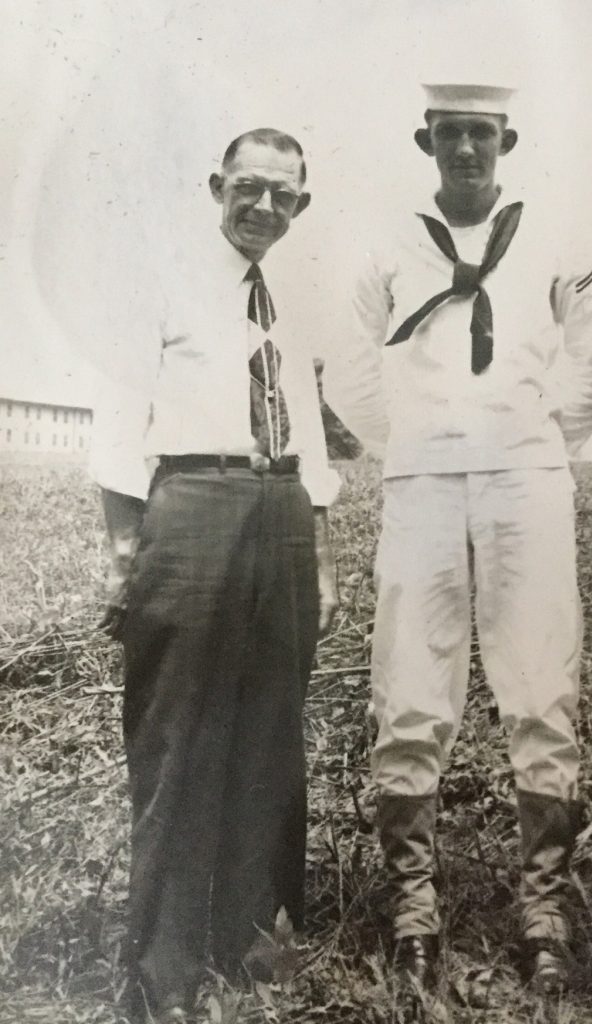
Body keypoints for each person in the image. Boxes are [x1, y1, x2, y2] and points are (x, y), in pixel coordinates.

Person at [325, 83, 592, 994]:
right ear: (428, 140)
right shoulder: (386, 246)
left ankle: (544, 907)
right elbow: (350, 369)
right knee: (410, 685)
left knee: (539, 682)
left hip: (526, 483)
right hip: (421, 486)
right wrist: (412, 442)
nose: (465, 150)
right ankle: (412, 906)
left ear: (505, 140)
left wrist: (532, 439)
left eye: (480, 134)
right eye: (449, 134)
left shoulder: (556, 241)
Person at [90, 128, 340, 1024]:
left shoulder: (292, 296)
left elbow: (304, 422)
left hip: (283, 515)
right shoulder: (161, 277)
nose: (264, 206)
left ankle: (256, 956)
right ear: (217, 186)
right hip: (191, 505)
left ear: (301, 204)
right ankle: (162, 974)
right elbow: (119, 417)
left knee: (272, 739)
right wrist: (126, 555)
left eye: (283, 194)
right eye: (249, 187)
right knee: (177, 744)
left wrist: (321, 550)